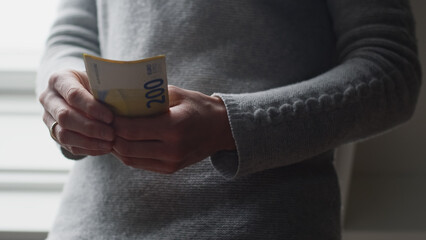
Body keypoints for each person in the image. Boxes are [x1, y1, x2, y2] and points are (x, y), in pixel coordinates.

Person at [37, 0, 421, 239]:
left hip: (260, 224)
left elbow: (390, 71)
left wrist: (228, 124)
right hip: (87, 224)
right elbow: (70, 40)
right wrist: (62, 95)